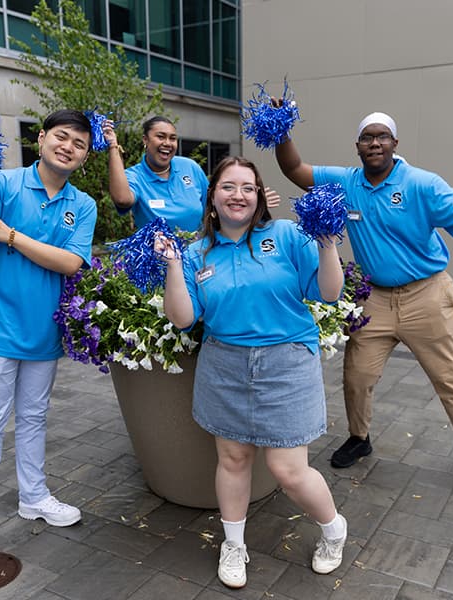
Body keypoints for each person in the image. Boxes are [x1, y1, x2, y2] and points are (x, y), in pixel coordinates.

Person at [273, 109, 453, 507]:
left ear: (395, 143)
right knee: (356, 376)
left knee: (451, 380)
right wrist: (280, 130)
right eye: (366, 137)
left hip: (426, 295)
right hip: (374, 298)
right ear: (357, 146)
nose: (374, 143)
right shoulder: (346, 183)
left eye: (382, 136)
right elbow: (294, 168)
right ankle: (360, 439)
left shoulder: (421, 184)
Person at [155, 156, 347, 589]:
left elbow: (330, 293)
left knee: (288, 469)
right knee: (234, 458)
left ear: (259, 196)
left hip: (287, 362)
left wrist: (328, 243)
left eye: (247, 187)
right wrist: (171, 268)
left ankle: (334, 529)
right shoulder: (195, 253)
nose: (237, 194)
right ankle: (234, 545)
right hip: (224, 363)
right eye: (228, 186)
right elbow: (184, 319)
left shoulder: (286, 236)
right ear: (212, 198)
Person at [0, 109, 98, 560]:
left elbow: (72, 264)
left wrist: (12, 236)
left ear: (85, 156)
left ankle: (34, 496)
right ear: (41, 139)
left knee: (34, 417)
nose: (68, 146)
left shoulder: (83, 205)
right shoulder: (0, 184)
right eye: (61, 136)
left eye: (79, 142)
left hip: (43, 331)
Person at [103, 115, 280, 231]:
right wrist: (113, 146)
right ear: (145, 140)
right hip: (157, 265)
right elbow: (122, 199)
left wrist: (252, 204)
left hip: (198, 258)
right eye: (161, 137)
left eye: (172, 138)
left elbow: (214, 205)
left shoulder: (189, 167)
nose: (167, 143)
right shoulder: (135, 176)